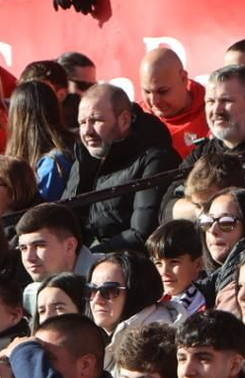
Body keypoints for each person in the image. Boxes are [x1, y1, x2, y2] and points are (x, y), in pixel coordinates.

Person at [63, 83, 180, 253]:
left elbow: (142, 233)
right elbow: (62, 219)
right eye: (82, 122)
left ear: (124, 120)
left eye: (96, 120)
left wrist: (86, 258)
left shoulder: (156, 160)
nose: (87, 131)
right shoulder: (83, 158)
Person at [139, 47, 213, 157]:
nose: (154, 101)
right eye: (147, 92)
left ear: (183, 79)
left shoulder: (213, 113)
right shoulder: (134, 119)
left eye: (162, 91)